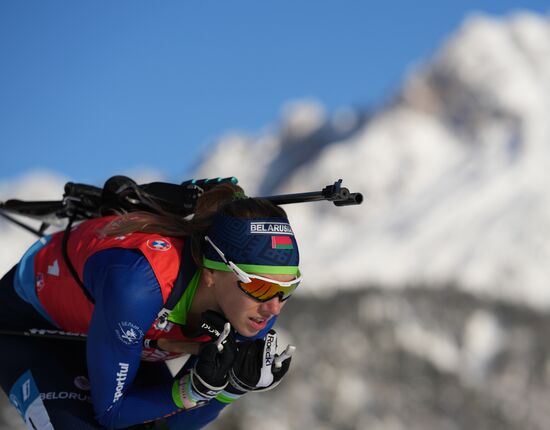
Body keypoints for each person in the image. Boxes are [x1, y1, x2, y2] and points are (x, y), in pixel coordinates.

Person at [0, 183, 301, 429]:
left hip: (120, 338)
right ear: (211, 272)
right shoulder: (139, 284)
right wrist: (192, 390)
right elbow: (112, 413)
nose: (274, 308)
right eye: (260, 286)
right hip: (31, 330)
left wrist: (231, 388)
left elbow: (173, 427)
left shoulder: (254, 313)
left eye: (288, 289)